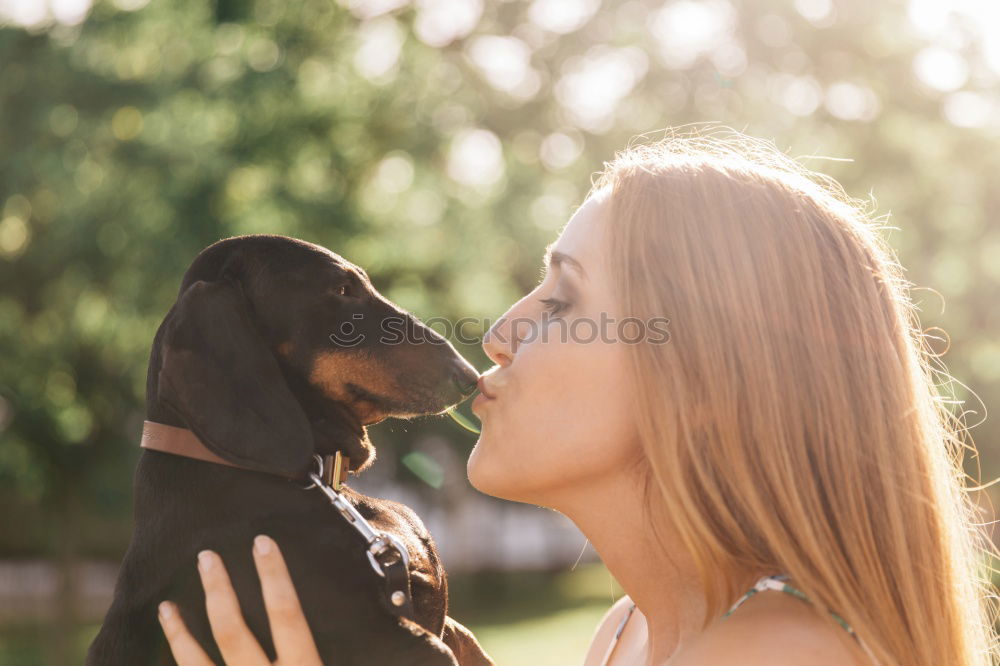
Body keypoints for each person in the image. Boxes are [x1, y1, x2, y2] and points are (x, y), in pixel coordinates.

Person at [156, 128, 998, 665]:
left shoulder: (774, 655)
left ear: (705, 379)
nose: (499, 332)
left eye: (562, 300)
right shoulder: (630, 635)